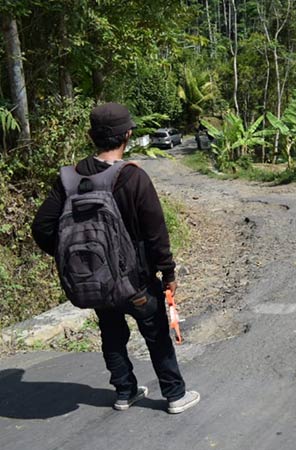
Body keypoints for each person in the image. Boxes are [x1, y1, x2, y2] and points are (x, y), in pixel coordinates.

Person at [31, 102, 200, 414]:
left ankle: (125, 391)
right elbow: (155, 234)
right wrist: (168, 274)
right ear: (128, 134)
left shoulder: (68, 179)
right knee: (156, 333)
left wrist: (72, 258)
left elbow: (41, 227)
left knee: (111, 332)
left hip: (95, 281)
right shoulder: (133, 177)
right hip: (135, 282)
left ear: (90, 136)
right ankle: (175, 395)